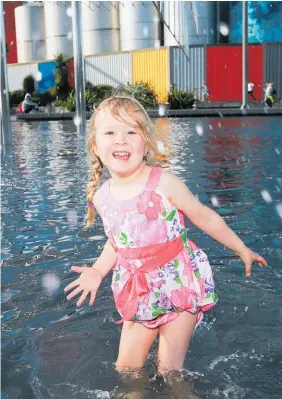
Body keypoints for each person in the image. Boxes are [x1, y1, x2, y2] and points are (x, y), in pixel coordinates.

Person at [64, 96, 267, 384]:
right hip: (138, 290)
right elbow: (118, 242)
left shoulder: (163, 183)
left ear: (145, 143)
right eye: (110, 132)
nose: (120, 140)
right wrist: (98, 270)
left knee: (169, 371)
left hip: (177, 282)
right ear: (96, 146)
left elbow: (203, 216)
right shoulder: (101, 196)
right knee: (127, 370)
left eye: (131, 132)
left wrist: (241, 249)